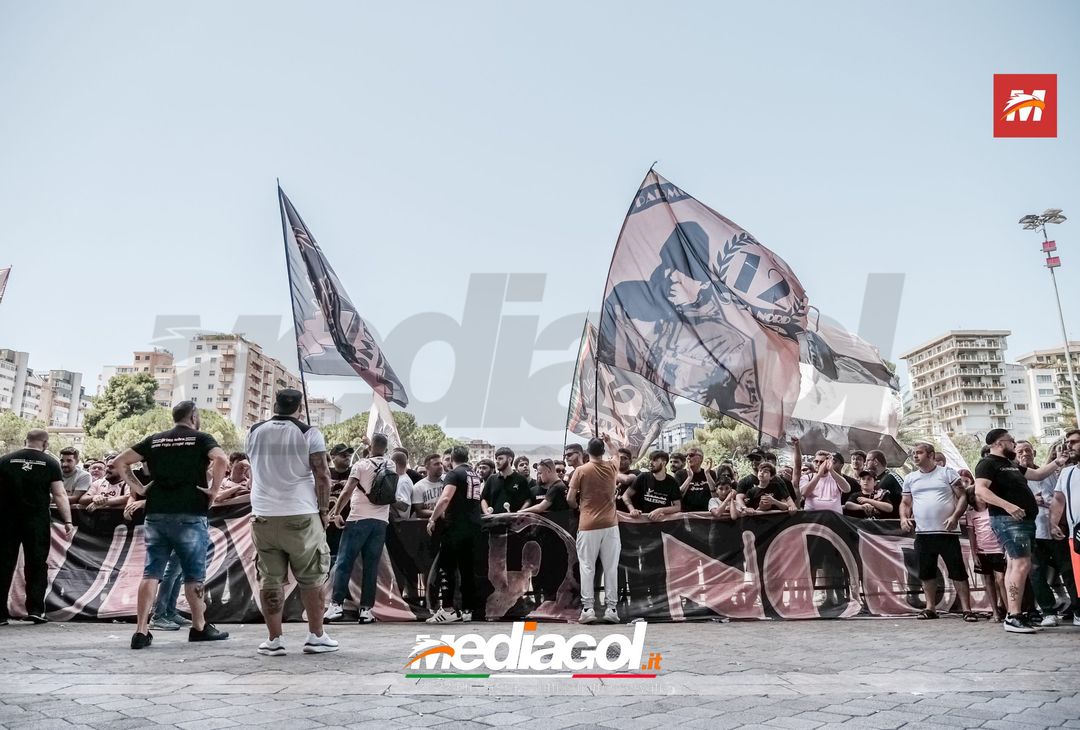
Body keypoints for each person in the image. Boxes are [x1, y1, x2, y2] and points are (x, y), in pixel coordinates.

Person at [112, 400, 231, 649]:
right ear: (194, 416)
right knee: (194, 575)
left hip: (157, 513)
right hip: (190, 512)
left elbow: (121, 461)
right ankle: (199, 626)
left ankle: (141, 630)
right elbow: (221, 459)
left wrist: (139, 489)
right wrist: (214, 491)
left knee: (151, 572)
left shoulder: (155, 440)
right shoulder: (201, 438)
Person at [245, 389, 337, 655]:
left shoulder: (254, 431)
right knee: (312, 577)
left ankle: (274, 640)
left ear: (275, 405)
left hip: (263, 514)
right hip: (300, 513)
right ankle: (316, 636)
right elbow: (322, 475)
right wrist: (323, 511)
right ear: (299, 408)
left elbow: (255, 466)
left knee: (270, 579)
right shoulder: (309, 433)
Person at [974, 428, 1067, 634]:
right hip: (1009, 521)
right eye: (1011, 441)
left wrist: (1058, 461)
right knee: (1021, 564)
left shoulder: (1011, 464)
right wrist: (1008, 506)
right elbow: (980, 490)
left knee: (1015, 566)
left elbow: (1037, 474)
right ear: (999, 443)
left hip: (1023, 521)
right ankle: (1014, 616)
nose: (1014, 444)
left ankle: (1013, 614)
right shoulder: (988, 463)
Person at [0, 430, 73, 624]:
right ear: (45, 444)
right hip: (36, 521)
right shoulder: (50, 463)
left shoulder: (5, 460)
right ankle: (35, 609)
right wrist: (68, 520)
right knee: (37, 564)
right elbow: (59, 494)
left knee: (4, 564)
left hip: (7, 520)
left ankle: (0, 613)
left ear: (25, 440)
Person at [900, 443, 976, 622]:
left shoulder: (947, 473)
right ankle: (930, 608)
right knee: (926, 571)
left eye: (919, 452)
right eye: (913, 453)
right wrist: (904, 518)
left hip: (947, 532)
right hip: (923, 533)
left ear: (931, 455)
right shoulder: (910, 478)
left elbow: (962, 496)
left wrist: (955, 517)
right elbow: (905, 502)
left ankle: (967, 609)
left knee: (957, 570)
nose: (915, 456)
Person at [326, 433, 394, 625]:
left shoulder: (360, 465)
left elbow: (347, 490)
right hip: (380, 521)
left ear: (370, 447)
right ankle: (366, 610)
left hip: (358, 519)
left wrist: (336, 512)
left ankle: (336, 605)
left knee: (344, 562)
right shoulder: (390, 465)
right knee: (371, 567)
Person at [1018, 440, 1078, 626]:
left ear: (1034, 452)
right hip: (1032, 530)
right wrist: (1030, 500)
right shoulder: (1014, 476)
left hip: (1055, 528)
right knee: (1036, 572)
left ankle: (1077, 608)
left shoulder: (1048, 472)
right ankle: (1048, 611)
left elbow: (1059, 496)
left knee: (1068, 570)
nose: (1025, 454)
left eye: (1028, 450)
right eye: (1020, 451)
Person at [426, 445, 484, 624]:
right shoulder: (474, 474)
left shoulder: (453, 474)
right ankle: (467, 610)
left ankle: (448, 609)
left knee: (447, 567)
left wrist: (433, 518)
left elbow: (445, 498)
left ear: (451, 459)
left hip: (456, 527)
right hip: (474, 526)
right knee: (467, 570)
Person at [568, 437, 620, 624]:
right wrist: (609, 441)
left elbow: (570, 498)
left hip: (588, 524)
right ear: (603, 451)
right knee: (611, 568)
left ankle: (588, 609)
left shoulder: (581, 470)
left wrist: (579, 507)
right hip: (610, 525)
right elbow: (616, 454)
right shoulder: (612, 467)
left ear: (587, 452)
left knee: (587, 567)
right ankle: (611, 609)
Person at [965, 471, 1007, 622]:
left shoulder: (994, 511)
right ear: (973, 498)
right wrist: (974, 553)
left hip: (998, 549)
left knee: (1001, 579)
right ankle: (995, 611)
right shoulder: (971, 515)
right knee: (988, 580)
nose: (982, 497)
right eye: (979, 495)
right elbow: (972, 535)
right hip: (983, 551)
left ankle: (1009, 610)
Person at [1050, 428, 1080, 626]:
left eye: (1074, 442)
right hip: (1075, 534)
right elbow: (1058, 499)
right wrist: (1053, 523)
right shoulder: (1067, 473)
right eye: (1068, 442)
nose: (1069, 446)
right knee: (1077, 577)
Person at [623, 451, 681, 520]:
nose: (650, 462)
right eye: (650, 460)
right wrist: (632, 509)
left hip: (661, 523)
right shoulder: (643, 477)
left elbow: (677, 507)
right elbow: (626, 495)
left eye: (655, 460)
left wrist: (661, 510)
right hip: (641, 521)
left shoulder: (672, 482)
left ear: (664, 463)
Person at [480, 447, 532, 515]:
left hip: (514, 520)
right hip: (494, 520)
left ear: (509, 459)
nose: (497, 461)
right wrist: (487, 513)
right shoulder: (491, 479)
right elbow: (484, 499)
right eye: (496, 459)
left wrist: (519, 513)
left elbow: (528, 500)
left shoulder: (521, 479)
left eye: (500, 458)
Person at [677, 447, 714, 512]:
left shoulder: (710, 473)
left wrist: (707, 474)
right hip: (686, 513)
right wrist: (689, 478)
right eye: (686, 455)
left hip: (706, 513)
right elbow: (677, 497)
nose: (688, 457)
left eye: (691, 455)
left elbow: (716, 496)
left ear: (701, 458)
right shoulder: (680, 474)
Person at [410, 454, 445, 519]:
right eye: (436, 464)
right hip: (427, 522)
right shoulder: (418, 487)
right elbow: (419, 512)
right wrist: (439, 513)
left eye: (441, 463)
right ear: (427, 467)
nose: (440, 466)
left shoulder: (447, 481)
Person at [389, 450, 415, 521]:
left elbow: (404, 506)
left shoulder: (404, 481)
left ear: (395, 463)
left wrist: (387, 499)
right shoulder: (399, 479)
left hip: (399, 522)